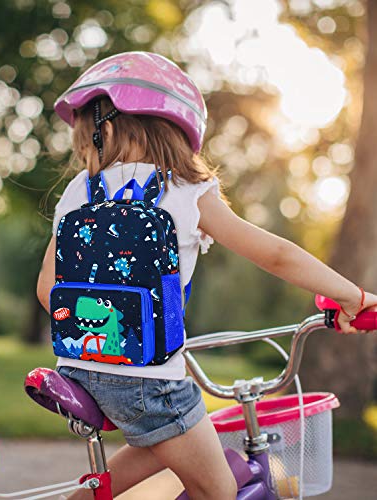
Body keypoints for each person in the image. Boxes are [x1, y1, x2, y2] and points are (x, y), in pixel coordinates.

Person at [36, 52, 377, 500]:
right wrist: (352, 296)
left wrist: (109, 332)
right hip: (150, 381)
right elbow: (276, 255)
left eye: (82, 133)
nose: (81, 147)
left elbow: (48, 288)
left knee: (163, 439)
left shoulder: (78, 191)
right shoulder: (187, 191)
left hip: (80, 366)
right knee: (218, 489)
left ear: (109, 127)